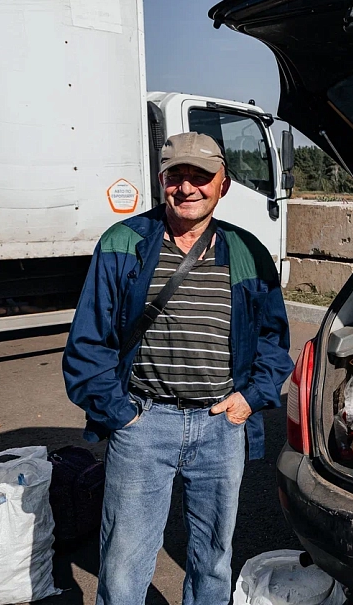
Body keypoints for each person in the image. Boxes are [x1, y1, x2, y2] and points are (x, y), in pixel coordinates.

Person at [62, 132, 293, 604]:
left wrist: (250, 400)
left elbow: (274, 339)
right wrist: (120, 415)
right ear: (162, 180)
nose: (188, 188)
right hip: (145, 423)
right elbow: (88, 342)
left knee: (211, 559)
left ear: (223, 185)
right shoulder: (124, 242)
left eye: (201, 177)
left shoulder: (247, 251)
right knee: (125, 562)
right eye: (176, 176)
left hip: (220, 426)